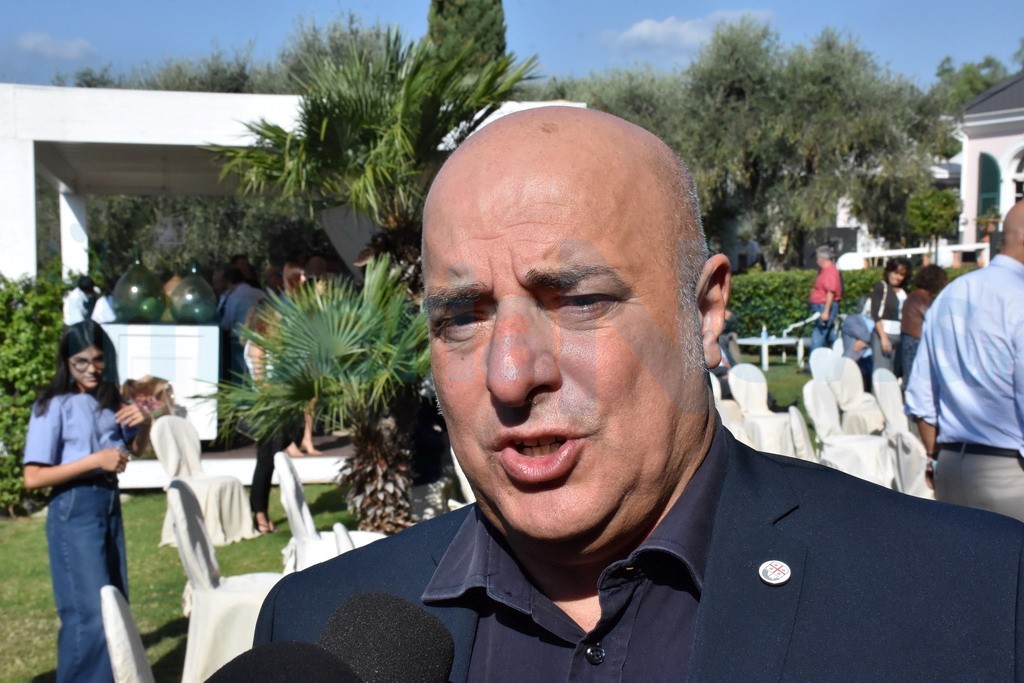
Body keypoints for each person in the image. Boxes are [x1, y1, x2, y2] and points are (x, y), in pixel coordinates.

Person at [251, 108, 1024, 679]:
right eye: (462, 315)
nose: (511, 374)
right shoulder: (316, 632)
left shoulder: (972, 598)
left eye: (579, 301)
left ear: (705, 310)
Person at [22, 321, 150, 682]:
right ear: (66, 361)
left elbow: (136, 449)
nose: (91, 369)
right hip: (74, 507)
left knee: (114, 604)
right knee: (88, 613)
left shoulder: (111, 401)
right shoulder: (52, 405)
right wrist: (95, 460)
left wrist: (145, 423)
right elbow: (33, 477)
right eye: (81, 361)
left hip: (108, 502)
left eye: (98, 360)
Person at [906, 199, 1024, 522]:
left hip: (952, 467)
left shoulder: (950, 294)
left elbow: (921, 399)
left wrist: (935, 458)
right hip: (1010, 474)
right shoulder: (1018, 297)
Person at [243, 302, 304, 534]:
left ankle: (262, 513)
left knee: (270, 462)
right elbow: (262, 383)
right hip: (268, 409)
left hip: (277, 407)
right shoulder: (257, 345)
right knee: (266, 463)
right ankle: (260, 514)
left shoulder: (265, 344)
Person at [899, 264, 948, 386]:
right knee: (917, 380)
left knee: (910, 377)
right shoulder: (923, 299)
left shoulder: (912, 296)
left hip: (908, 340)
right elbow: (933, 319)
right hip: (917, 342)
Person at [218, 266, 265, 381]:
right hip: (262, 336)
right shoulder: (260, 293)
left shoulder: (233, 297)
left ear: (229, 282)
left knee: (239, 377)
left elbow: (226, 323)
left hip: (238, 340)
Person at [868, 257, 912, 377]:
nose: (897, 277)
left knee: (894, 373)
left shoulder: (904, 291)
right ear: (889, 271)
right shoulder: (882, 287)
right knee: (882, 372)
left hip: (899, 336)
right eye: (895, 272)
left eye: (901, 275)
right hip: (884, 334)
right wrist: (883, 338)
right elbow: (875, 314)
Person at [808, 246, 842, 352]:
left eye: (817, 257)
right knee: (830, 336)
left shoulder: (830, 271)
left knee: (819, 335)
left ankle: (813, 359)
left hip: (824, 307)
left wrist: (826, 312)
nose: (817, 260)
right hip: (821, 306)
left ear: (822, 258)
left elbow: (830, 293)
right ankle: (838, 354)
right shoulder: (824, 271)